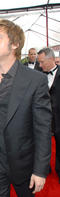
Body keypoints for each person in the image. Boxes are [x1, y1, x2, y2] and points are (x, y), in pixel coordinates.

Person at [0, 19, 52, 197]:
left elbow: (43, 128)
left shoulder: (34, 80)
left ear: (14, 45)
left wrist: (40, 169)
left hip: (24, 160)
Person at [38, 47, 60, 183]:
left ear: (51, 59)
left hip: (58, 118)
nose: (40, 65)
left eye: (42, 62)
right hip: (42, 118)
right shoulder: (38, 76)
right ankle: (43, 169)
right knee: (42, 144)